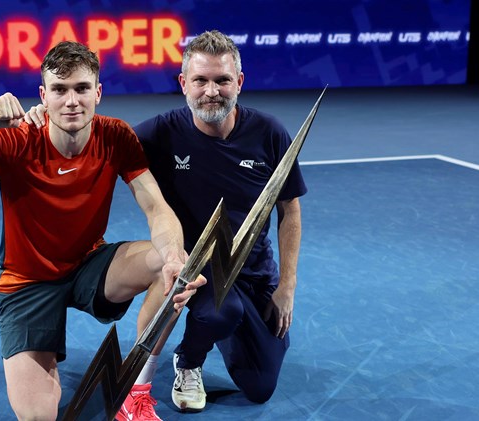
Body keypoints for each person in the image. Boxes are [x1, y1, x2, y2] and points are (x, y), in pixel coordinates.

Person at [0, 40, 205, 421]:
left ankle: (136, 387)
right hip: (26, 283)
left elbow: (156, 208)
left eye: (81, 88)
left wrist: (175, 257)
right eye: (59, 90)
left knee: (174, 265)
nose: (71, 101)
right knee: (38, 417)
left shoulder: (116, 136)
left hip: (88, 264)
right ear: (44, 96)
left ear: (98, 92)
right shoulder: (13, 140)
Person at [24, 29, 307, 420]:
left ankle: (229, 329)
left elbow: (289, 209)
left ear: (239, 82)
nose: (212, 91)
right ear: (183, 84)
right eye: (201, 80)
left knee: (260, 387)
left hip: (254, 271)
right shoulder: (159, 134)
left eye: (223, 80)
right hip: (194, 269)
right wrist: (48, 117)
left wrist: (287, 285)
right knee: (219, 313)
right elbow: (94, 143)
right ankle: (188, 362)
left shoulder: (270, 133)